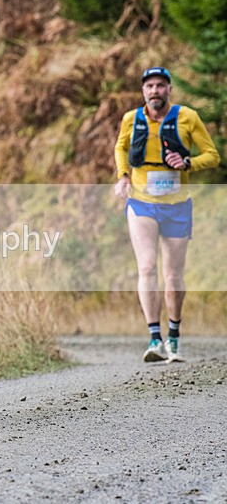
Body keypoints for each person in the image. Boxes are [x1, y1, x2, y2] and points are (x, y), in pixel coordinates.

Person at [114, 66, 220, 363]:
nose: (155, 91)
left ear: (169, 89)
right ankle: (154, 339)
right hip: (141, 202)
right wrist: (123, 175)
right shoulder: (131, 119)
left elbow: (212, 155)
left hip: (177, 204)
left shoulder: (188, 117)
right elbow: (121, 147)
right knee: (146, 267)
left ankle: (173, 337)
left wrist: (187, 163)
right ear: (143, 91)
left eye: (161, 85)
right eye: (149, 86)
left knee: (173, 274)